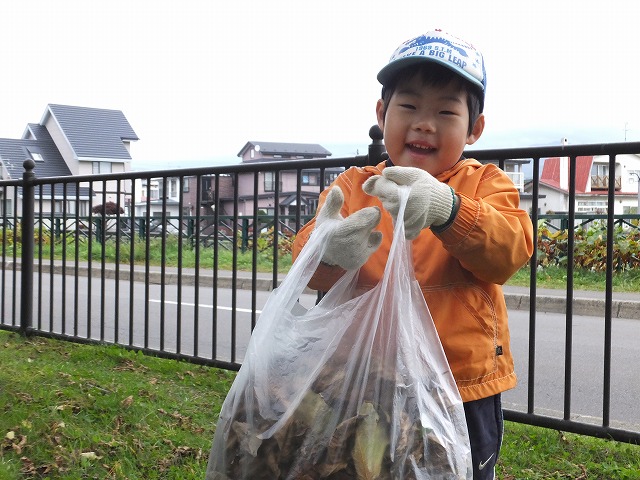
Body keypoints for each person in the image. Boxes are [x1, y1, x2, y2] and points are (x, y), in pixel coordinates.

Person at [292, 29, 534, 479]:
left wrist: (449, 209)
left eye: (446, 111)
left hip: (458, 387)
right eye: (409, 107)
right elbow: (307, 272)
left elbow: (508, 253)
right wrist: (328, 251)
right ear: (383, 113)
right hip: (358, 382)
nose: (425, 123)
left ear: (474, 128)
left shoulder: (485, 185)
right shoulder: (354, 187)